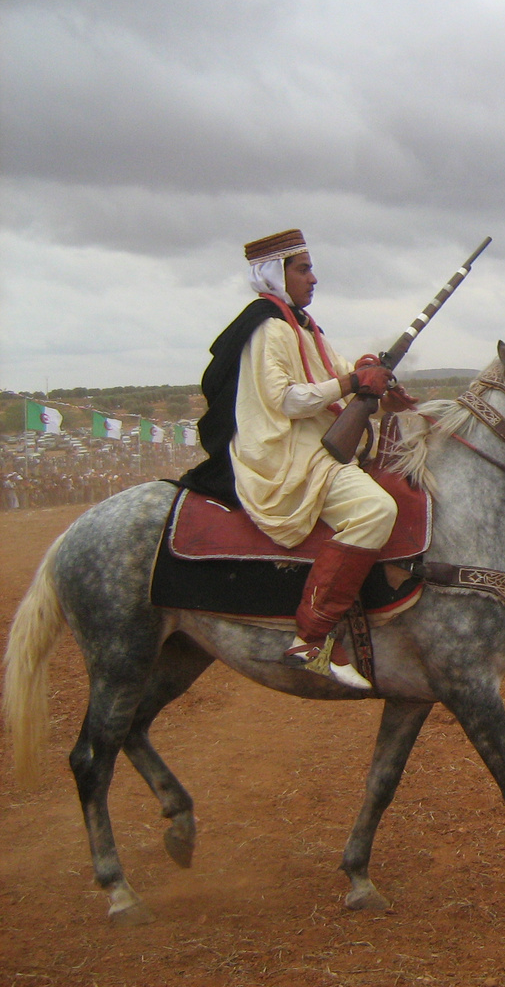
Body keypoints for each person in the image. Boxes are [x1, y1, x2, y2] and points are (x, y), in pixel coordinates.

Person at [180, 229, 410, 689]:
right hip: (284, 454)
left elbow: (341, 372)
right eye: (303, 269)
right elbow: (288, 399)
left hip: (310, 444)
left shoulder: (302, 325)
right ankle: (312, 638)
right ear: (276, 273)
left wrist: (379, 388)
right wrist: (352, 384)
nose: (313, 278)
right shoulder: (269, 327)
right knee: (376, 509)